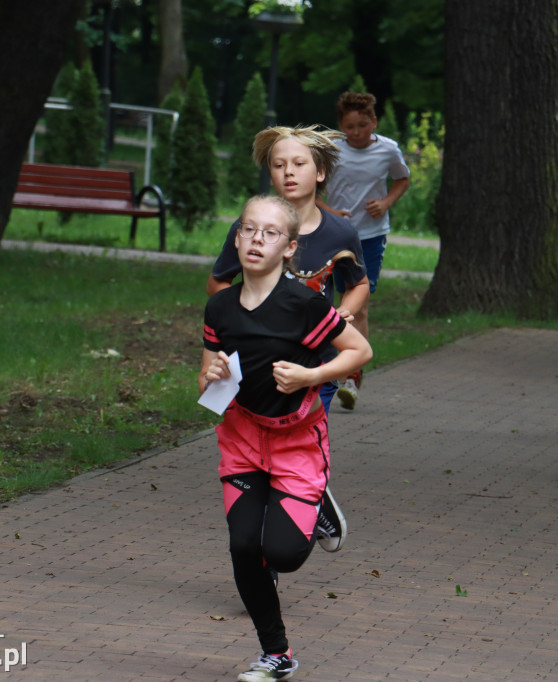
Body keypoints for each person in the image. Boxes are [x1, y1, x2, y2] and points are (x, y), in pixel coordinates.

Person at [200, 195, 373, 680]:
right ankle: (276, 654)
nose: (257, 239)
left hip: (296, 440)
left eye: (270, 233)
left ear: (290, 247)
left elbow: (360, 351)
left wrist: (307, 377)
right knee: (242, 546)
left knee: (282, 555)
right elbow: (205, 383)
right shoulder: (219, 307)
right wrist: (211, 373)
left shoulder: (304, 304)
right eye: (249, 230)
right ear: (237, 239)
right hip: (241, 437)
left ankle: (318, 504)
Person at [207, 125, 370, 416]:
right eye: (279, 165)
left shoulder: (341, 233)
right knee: (249, 431)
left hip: (318, 361)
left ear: (320, 173)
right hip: (256, 358)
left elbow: (359, 284)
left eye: (298, 164)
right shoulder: (250, 230)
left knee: (299, 439)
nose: (288, 172)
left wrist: (345, 310)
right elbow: (217, 283)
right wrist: (240, 317)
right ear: (271, 175)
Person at [317, 91, 411, 410]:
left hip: (369, 236)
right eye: (348, 126)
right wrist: (326, 210)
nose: (355, 133)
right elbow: (308, 187)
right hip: (329, 233)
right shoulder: (330, 149)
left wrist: (385, 203)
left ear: (374, 122)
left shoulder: (388, 150)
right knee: (322, 301)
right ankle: (324, 366)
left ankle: (352, 374)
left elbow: (402, 179)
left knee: (358, 304)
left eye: (361, 125)